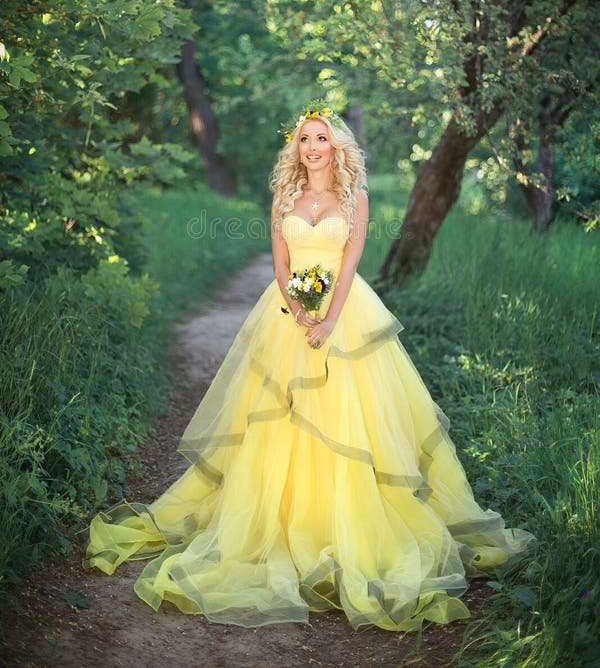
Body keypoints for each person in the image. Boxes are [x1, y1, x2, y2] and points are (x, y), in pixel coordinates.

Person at [84, 104, 533, 631]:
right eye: (304, 140)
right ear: (295, 148)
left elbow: (349, 266)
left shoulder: (355, 198)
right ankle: (274, 524)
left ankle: (342, 528)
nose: (313, 148)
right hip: (288, 311)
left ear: (336, 147)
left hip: (343, 314)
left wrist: (327, 322)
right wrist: (297, 308)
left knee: (344, 423)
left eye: (321, 139)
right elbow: (280, 261)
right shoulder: (285, 195)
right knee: (276, 420)